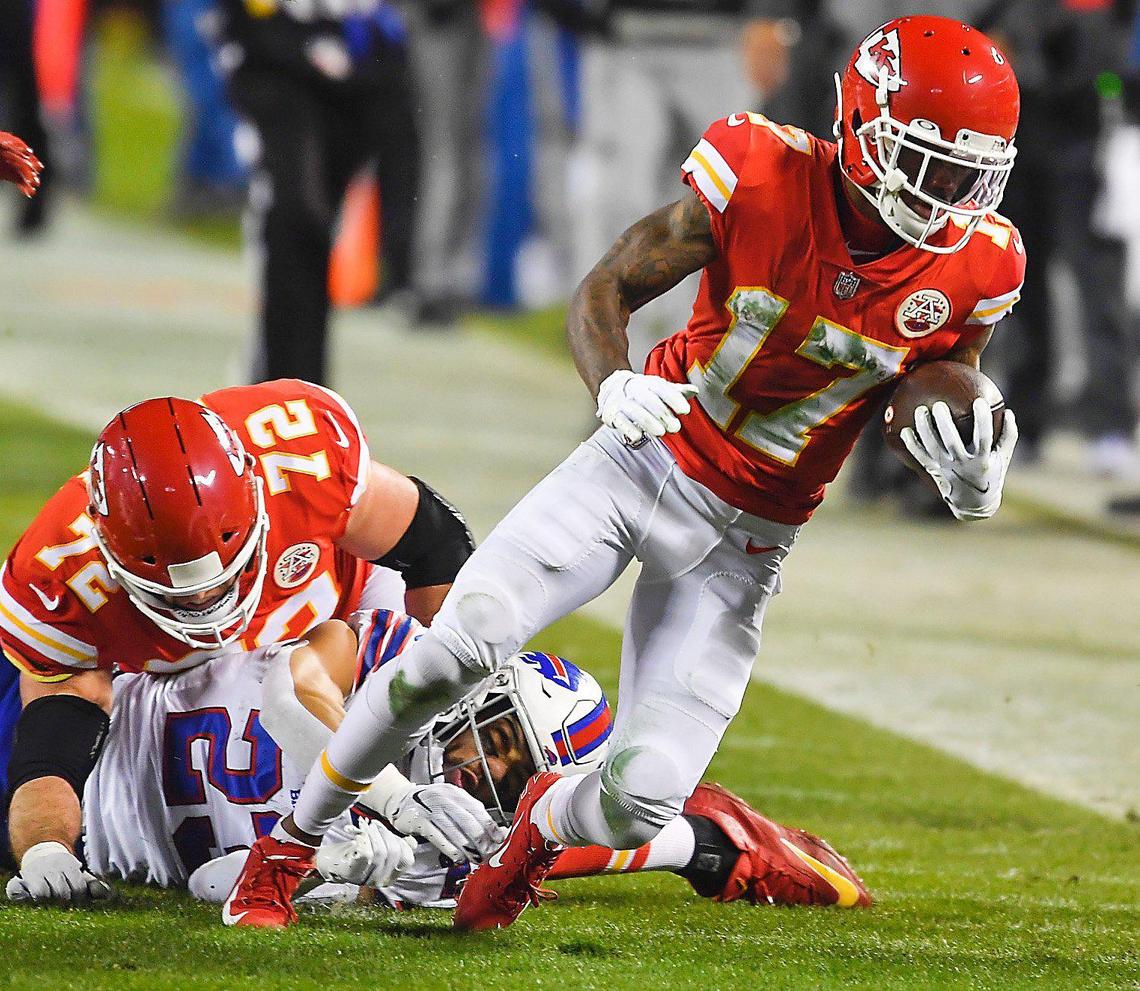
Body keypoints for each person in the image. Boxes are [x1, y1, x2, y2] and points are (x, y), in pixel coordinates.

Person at [226, 14, 1025, 931]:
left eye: (971, 174)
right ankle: (285, 848)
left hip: (747, 541)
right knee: (460, 644)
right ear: (860, 127)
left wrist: (962, 469)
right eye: (928, 166)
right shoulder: (760, 169)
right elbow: (606, 284)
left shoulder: (982, 261)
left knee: (643, 796)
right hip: (644, 460)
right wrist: (613, 385)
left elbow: (929, 386)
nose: (947, 198)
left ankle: (532, 837)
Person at [37, 606, 867, 913]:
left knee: (470, 864)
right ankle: (697, 839)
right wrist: (387, 802)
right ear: (480, 698)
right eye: (496, 748)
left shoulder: (447, 833)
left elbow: (215, 882)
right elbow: (297, 688)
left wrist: (352, 868)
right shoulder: (390, 655)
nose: (478, 777)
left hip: (103, 836)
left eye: (508, 781)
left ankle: (699, 842)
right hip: (88, 719)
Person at [0, 378, 482, 901]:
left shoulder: (301, 457)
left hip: (325, 616)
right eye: (176, 595)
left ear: (256, 497)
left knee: (459, 679)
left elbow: (435, 546)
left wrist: (457, 684)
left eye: (222, 578)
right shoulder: (58, 577)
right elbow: (53, 740)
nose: (204, 607)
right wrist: (46, 847)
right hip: (170, 706)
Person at [215, 0, 419, 384]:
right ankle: (276, 375)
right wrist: (302, 47)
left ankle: (308, 382)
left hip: (355, 72)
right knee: (293, 216)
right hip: (279, 70)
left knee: (319, 229)